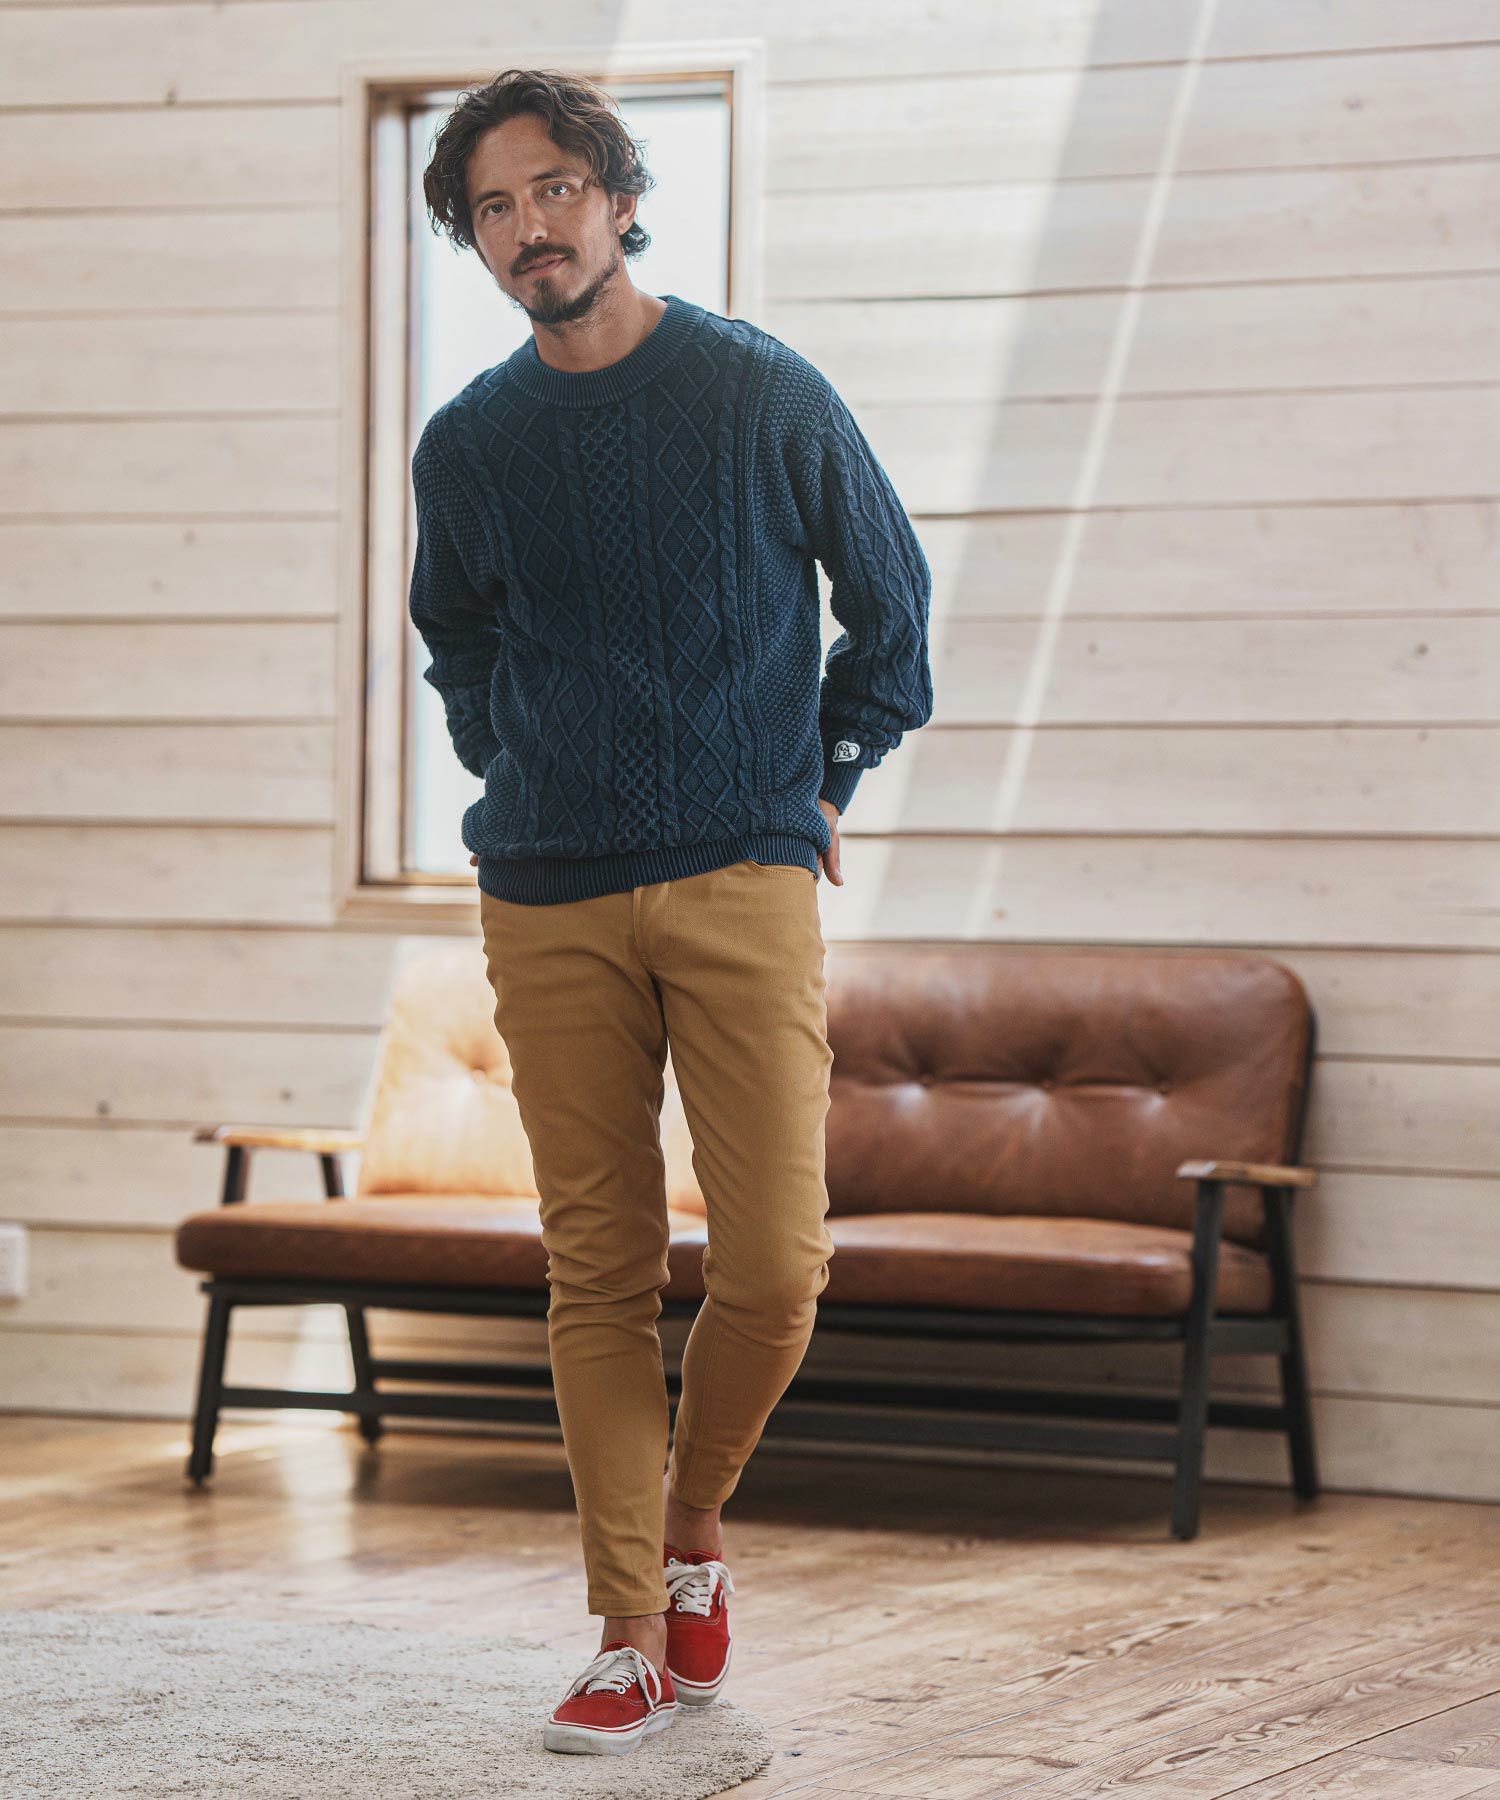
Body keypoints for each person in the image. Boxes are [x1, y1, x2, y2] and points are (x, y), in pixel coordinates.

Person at [408, 66, 933, 1757]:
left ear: (620, 199)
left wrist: (825, 778)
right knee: (599, 1272)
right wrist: (511, 761)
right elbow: (459, 639)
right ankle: (628, 1628)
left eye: (553, 189)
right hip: (544, 892)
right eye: (493, 208)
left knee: (776, 1265)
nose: (528, 229)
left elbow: (892, 606)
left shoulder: (759, 392)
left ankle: (691, 1521)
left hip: (739, 873)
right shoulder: (469, 444)